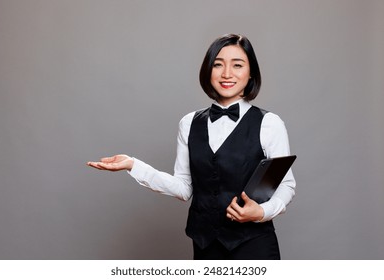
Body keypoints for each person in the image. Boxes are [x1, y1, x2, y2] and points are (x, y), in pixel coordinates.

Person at [87, 34, 296, 260]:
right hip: (205, 246)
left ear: (251, 73)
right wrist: (133, 165)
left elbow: (286, 185)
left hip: (254, 246)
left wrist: (261, 212)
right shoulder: (189, 123)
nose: (227, 74)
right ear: (208, 70)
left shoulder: (269, 123)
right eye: (218, 64)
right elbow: (184, 187)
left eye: (237, 65)